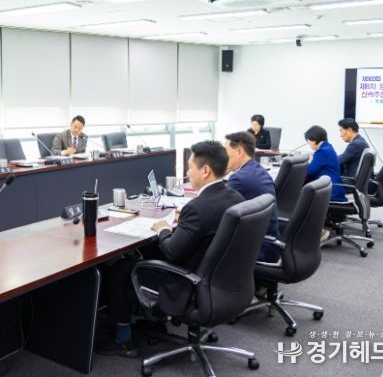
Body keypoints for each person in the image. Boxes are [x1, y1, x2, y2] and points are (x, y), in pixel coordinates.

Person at [95, 140, 244, 357]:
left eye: (190, 167)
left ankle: (124, 341)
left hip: (191, 284)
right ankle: (155, 322)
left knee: (122, 268)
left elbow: (172, 252)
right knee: (148, 252)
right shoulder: (235, 197)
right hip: (223, 281)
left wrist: (164, 228)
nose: (187, 173)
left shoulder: (198, 207)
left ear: (205, 170)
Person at [224, 131, 281, 262]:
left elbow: (219, 213)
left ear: (239, 152)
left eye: (226, 152)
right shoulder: (258, 170)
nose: (224, 157)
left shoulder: (238, 179)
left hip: (258, 248)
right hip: (271, 242)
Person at [304, 125, 346, 202]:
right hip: (332, 188)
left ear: (313, 140)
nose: (309, 144)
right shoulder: (328, 147)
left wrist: (307, 162)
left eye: (308, 141)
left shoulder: (322, 152)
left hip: (330, 192)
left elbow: (309, 172)